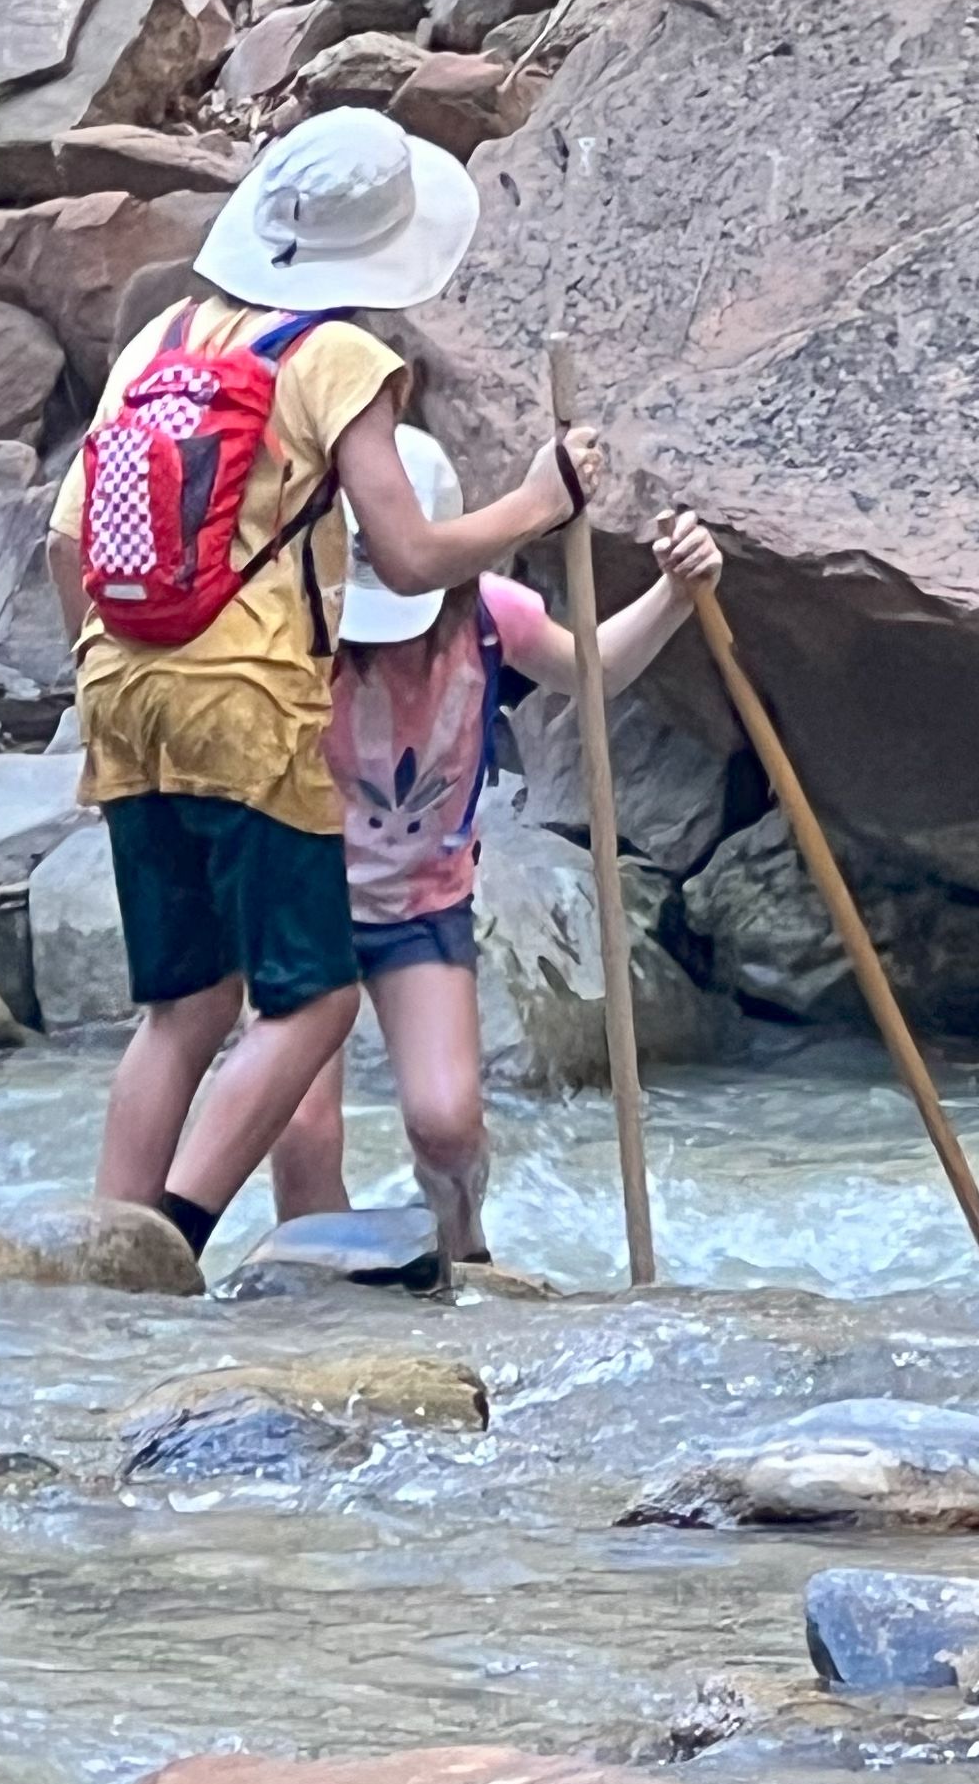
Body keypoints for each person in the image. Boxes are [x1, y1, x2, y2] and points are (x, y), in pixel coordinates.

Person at [44, 106, 591, 1259]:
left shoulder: (163, 342)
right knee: (316, 1001)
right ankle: (174, 1238)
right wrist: (538, 503)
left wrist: (111, 676)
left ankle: (102, 1244)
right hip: (248, 712)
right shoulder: (341, 358)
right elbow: (408, 555)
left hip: (120, 690)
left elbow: (65, 541)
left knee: (184, 1008)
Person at [260, 425, 723, 1261]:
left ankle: (462, 1252)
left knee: (445, 1125)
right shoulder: (294, 614)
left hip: (422, 904)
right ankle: (314, 1284)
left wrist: (675, 593)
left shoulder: (490, 620)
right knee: (299, 1126)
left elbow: (596, 670)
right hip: (300, 895)